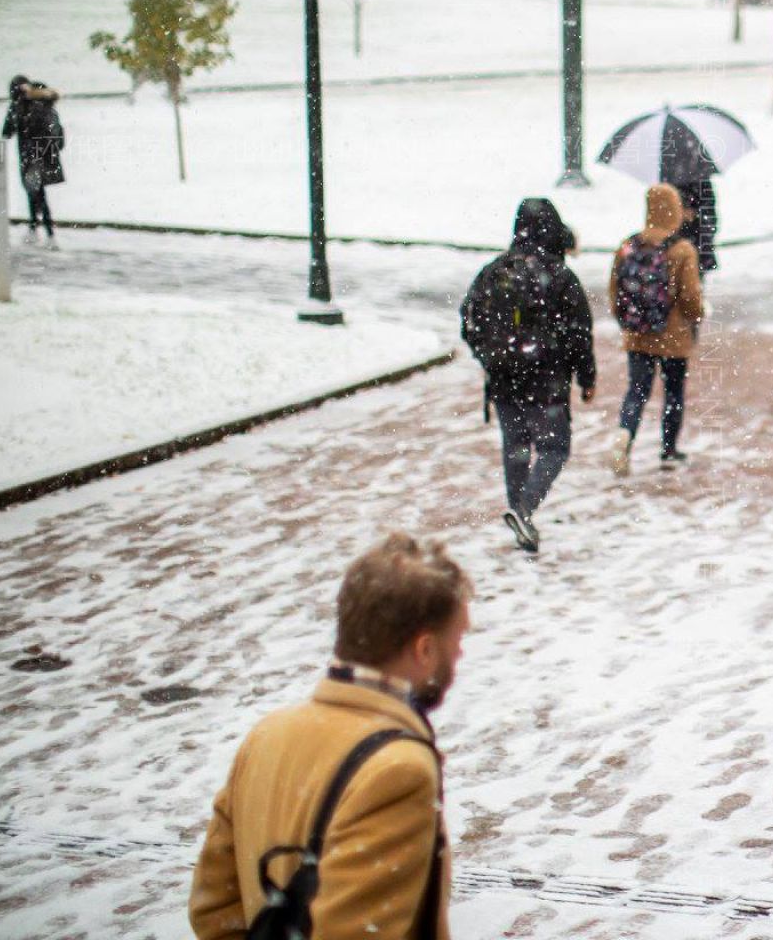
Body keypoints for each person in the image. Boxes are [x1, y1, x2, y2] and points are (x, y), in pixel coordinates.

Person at [190, 534, 469, 938]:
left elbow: (214, 909)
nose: (459, 654)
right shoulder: (398, 770)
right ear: (424, 648)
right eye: (457, 638)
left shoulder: (267, 735)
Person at [460, 198, 596, 553]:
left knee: (516, 445)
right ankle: (523, 510)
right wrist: (586, 376)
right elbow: (580, 332)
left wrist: (491, 357)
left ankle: (520, 517)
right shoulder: (560, 277)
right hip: (547, 379)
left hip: (504, 378)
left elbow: (469, 320)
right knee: (554, 447)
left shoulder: (494, 271)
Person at [610, 183, 707, 475]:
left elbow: (615, 294)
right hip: (673, 338)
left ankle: (625, 433)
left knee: (636, 390)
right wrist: (697, 316)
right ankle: (668, 449)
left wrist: (629, 322)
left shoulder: (628, 246)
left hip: (638, 334)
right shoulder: (681, 250)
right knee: (673, 392)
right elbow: (690, 299)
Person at [1, 75, 63, 246]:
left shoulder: (20, 106)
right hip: (45, 154)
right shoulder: (44, 102)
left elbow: (6, 132)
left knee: (37, 195)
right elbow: (58, 132)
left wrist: (14, 108)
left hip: (30, 156)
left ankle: (47, 234)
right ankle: (35, 230)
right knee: (36, 194)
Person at [671, 179, 719, 274]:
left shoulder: (703, 183)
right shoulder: (671, 184)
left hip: (697, 235)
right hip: (681, 238)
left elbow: (709, 210)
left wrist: (695, 213)